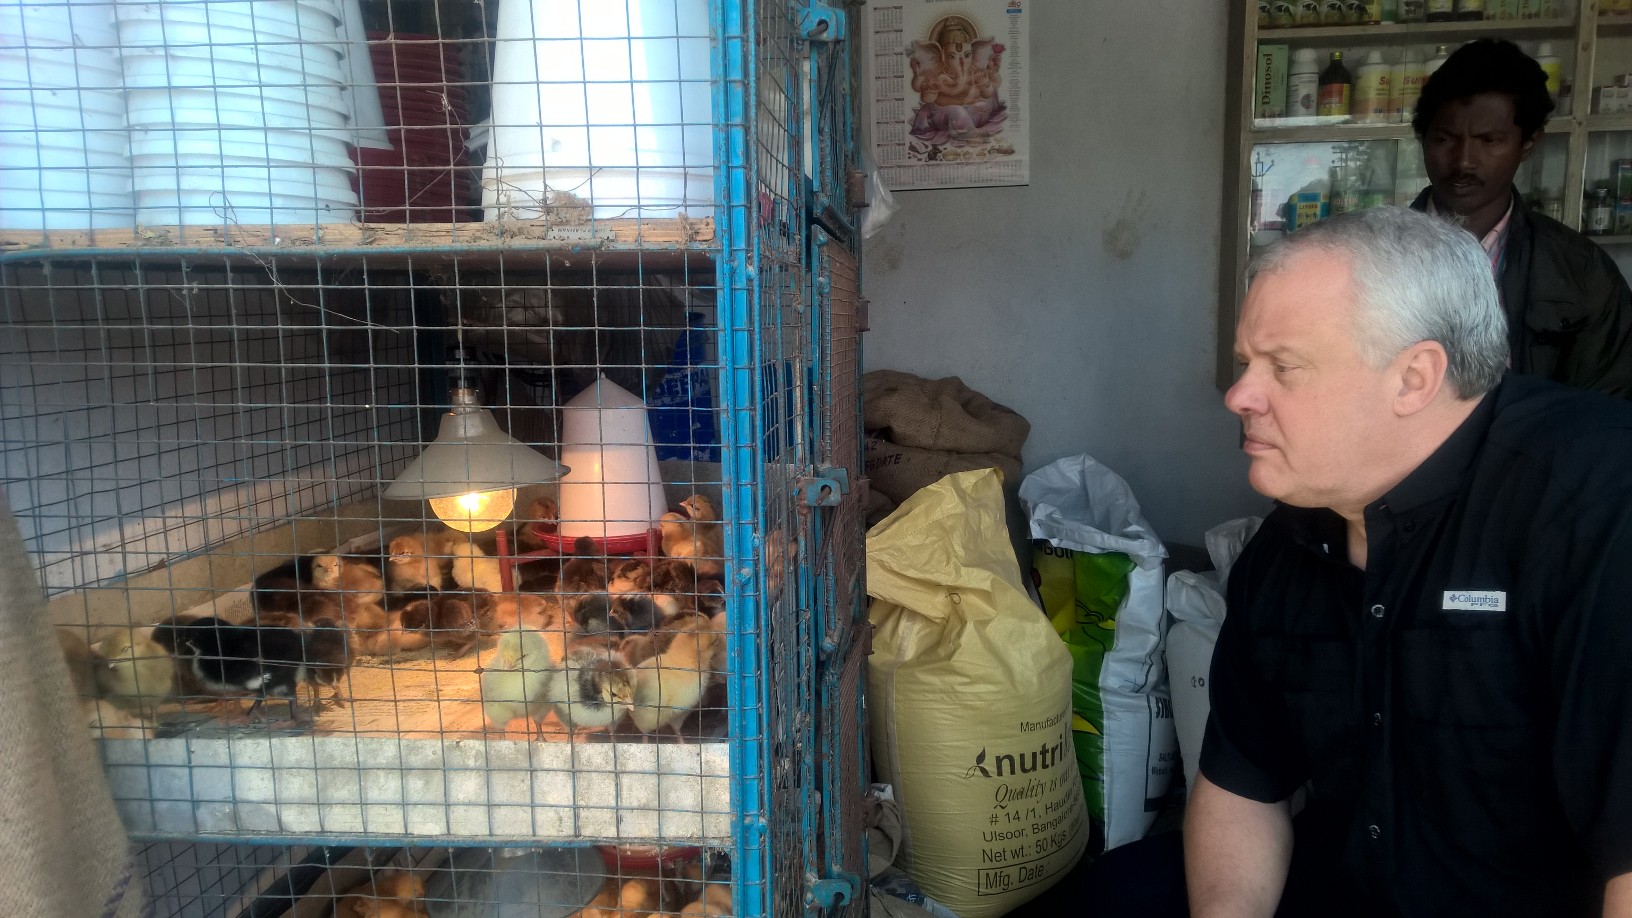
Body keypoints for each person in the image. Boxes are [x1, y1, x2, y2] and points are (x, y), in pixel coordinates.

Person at [1187, 206, 1632, 918]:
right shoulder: (1289, 543)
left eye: (1283, 367)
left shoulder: (1594, 504)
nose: (1239, 395)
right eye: (1246, 363)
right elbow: (1244, 785)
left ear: (1414, 378)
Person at [1410, 38, 1632, 398]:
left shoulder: (1581, 272)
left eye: (1489, 140)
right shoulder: (1369, 257)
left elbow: (1608, 405)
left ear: (1528, 143)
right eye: (1444, 139)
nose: (1463, 161)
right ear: (1423, 138)